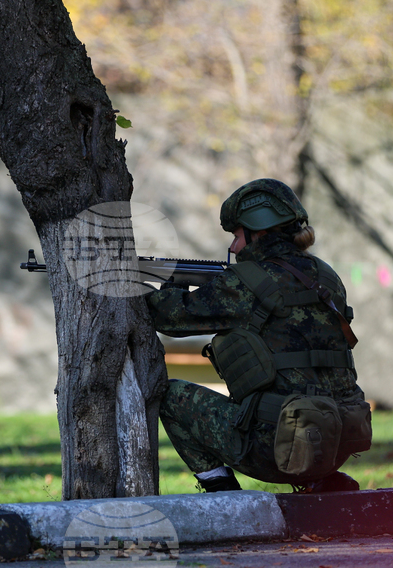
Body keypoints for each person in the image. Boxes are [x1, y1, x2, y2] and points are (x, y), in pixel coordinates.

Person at [145, 178, 372, 493]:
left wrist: (173, 279)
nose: (233, 247)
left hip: (275, 448)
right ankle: (318, 480)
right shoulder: (325, 275)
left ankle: (222, 492)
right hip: (336, 444)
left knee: (169, 396)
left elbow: (167, 316)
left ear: (259, 230)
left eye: (237, 235)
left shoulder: (247, 282)